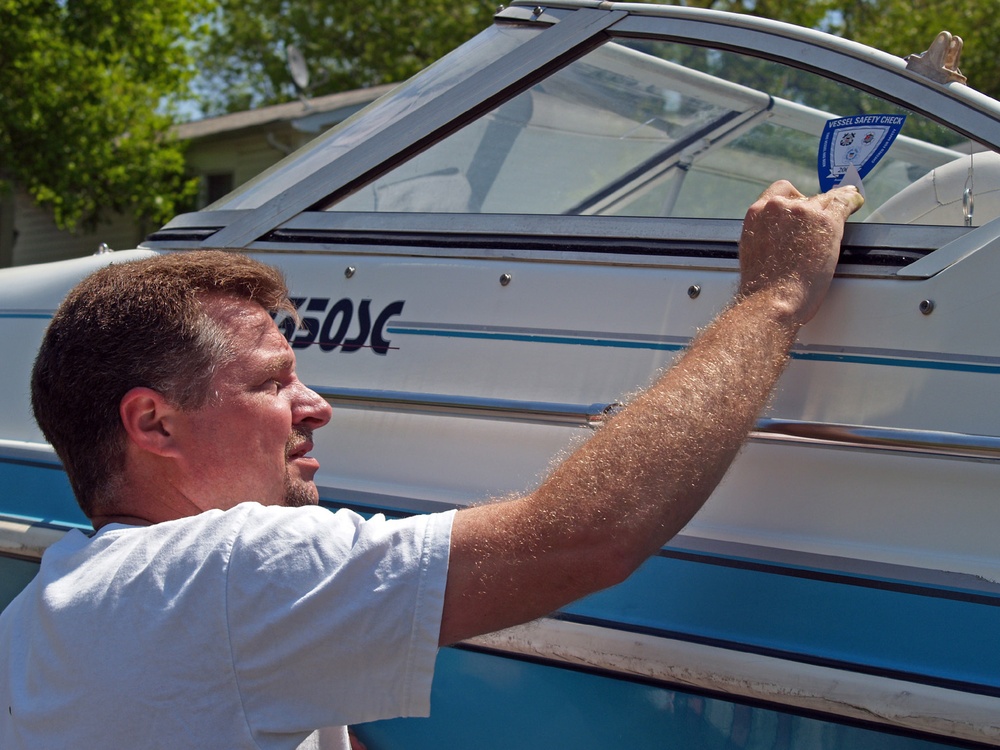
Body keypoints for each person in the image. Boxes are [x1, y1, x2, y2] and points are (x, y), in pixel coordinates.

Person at [0, 180, 862, 749]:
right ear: (152, 423)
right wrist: (773, 297)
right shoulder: (222, 574)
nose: (317, 407)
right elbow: (587, 537)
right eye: (274, 382)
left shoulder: (44, 623)